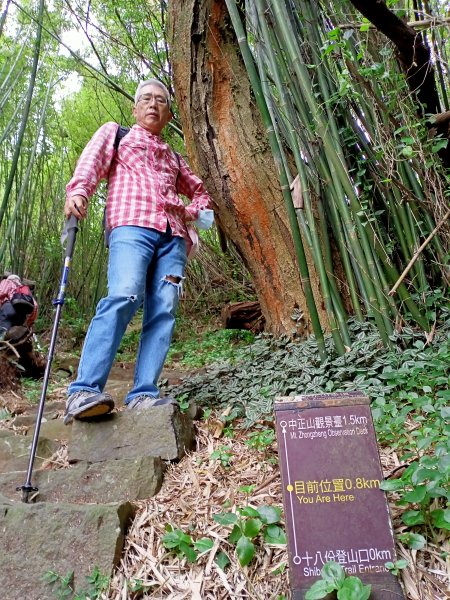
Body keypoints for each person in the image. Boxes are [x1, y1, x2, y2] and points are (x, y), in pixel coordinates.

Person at [63, 79, 213, 425]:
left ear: (168, 112)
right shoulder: (118, 134)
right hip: (131, 226)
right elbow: (91, 164)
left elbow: (202, 194)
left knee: (164, 309)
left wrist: (190, 212)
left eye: (161, 100)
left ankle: (144, 393)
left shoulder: (174, 156)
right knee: (124, 295)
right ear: (134, 108)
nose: (153, 104)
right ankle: (83, 390)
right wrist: (79, 192)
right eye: (146, 98)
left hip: (173, 237)